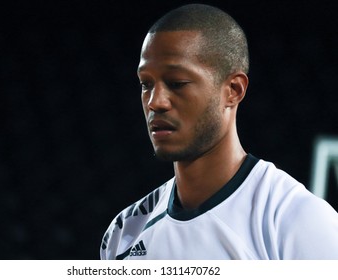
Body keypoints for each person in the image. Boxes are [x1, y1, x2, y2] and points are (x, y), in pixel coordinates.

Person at [100, 4, 338, 259]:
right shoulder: (123, 235)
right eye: (146, 84)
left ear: (233, 90)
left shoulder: (298, 220)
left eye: (176, 83)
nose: (155, 102)